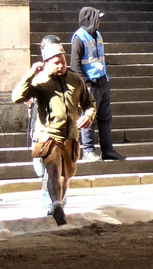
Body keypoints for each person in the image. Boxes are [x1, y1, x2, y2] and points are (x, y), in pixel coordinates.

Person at [14, 36, 95, 225]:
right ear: (47, 63)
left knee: (66, 176)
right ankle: (54, 204)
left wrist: (89, 115)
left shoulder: (75, 80)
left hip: (72, 136)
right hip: (49, 136)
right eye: (56, 63)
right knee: (52, 171)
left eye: (63, 61)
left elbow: (89, 102)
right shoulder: (40, 82)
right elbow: (17, 97)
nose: (61, 66)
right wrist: (30, 74)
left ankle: (59, 206)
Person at [70, 7, 122, 161]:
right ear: (89, 19)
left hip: (102, 82)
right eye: (97, 18)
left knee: (106, 118)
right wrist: (85, 84)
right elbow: (75, 65)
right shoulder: (79, 38)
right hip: (90, 85)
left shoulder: (97, 35)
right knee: (88, 118)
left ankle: (107, 150)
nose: (99, 22)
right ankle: (88, 150)